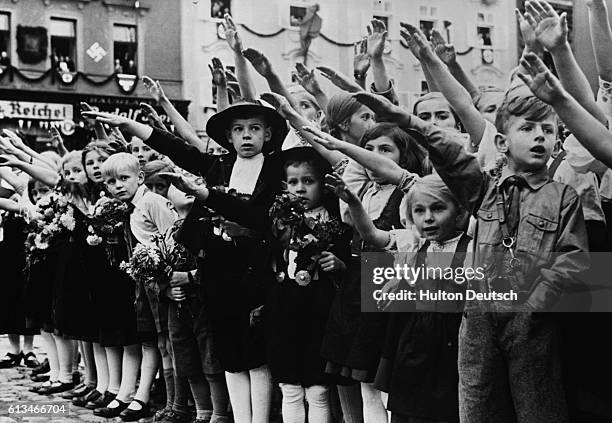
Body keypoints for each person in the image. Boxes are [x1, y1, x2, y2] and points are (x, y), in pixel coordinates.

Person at [354, 77, 589, 421]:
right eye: (528, 128)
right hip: (477, 317)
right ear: (501, 142)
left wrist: (534, 297)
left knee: (538, 410)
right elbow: (450, 157)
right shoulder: (485, 189)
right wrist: (407, 121)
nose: (541, 135)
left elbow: (575, 263)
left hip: (532, 322)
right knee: (477, 407)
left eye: (549, 130)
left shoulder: (563, 196)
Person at [83, 99, 288, 423]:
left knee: (255, 351)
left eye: (254, 129)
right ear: (228, 136)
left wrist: (237, 220)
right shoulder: (219, 167)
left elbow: (263, 218)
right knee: (228, 351)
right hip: (217, 271)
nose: (246, 136)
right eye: (238, 130)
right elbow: (179, 150)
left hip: (255, 271)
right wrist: (131, 125)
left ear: (268, 133)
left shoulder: (275, 170)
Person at [94, 152, 177, 421]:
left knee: (163, 342)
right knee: (147, 338)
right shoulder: (126, 206)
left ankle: (164, 402)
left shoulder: (151, 202)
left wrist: (168, 277)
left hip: (161, 281)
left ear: (139, 177)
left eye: (123, 178)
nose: (117, 185)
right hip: (143, 282)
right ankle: (131, 395)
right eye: (110, 181)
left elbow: (173, 237)